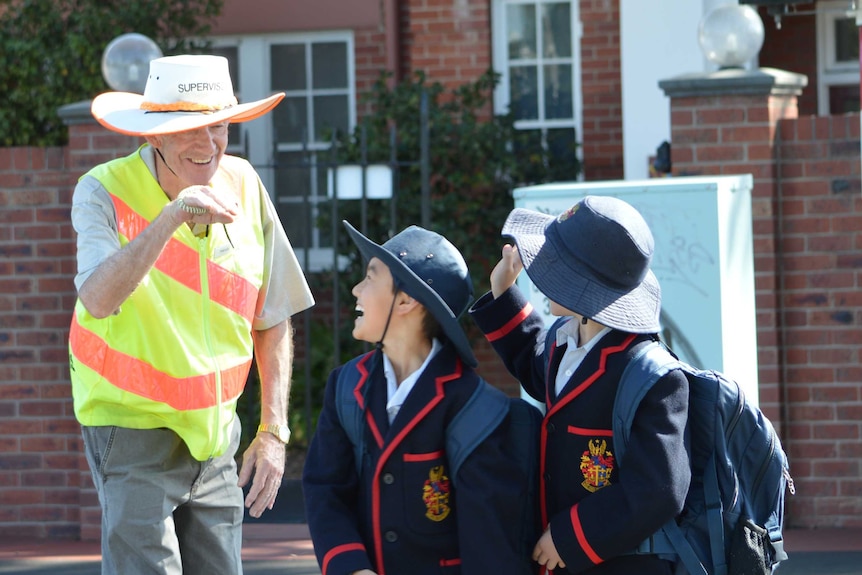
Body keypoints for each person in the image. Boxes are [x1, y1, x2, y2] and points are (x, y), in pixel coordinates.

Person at [68, 54, 315, 574]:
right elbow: (97, 298)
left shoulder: (245, 184)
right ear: (154, 136)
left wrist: (273, 432)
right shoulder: (101, 191)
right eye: (189, 129)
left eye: (219, 126)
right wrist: (171, 217)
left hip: (215, 437)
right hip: (132, 430)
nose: (208, 145)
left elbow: (272, 314)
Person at [469, 196, 691, 574]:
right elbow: (537, 366)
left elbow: (659, 489)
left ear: (587, 290)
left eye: (557, 267)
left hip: (621, 563)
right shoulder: (568, 335)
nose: (544, 270)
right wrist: (505, 294)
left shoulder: (654, 376)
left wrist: (570, 537)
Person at [302, 221, 533, 575]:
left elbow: (488, 547)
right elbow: (326, 489)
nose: (355, 290)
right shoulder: (346, 386)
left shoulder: (476, 409)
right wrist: (350, 566)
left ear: (407, 300)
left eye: (370, 277)